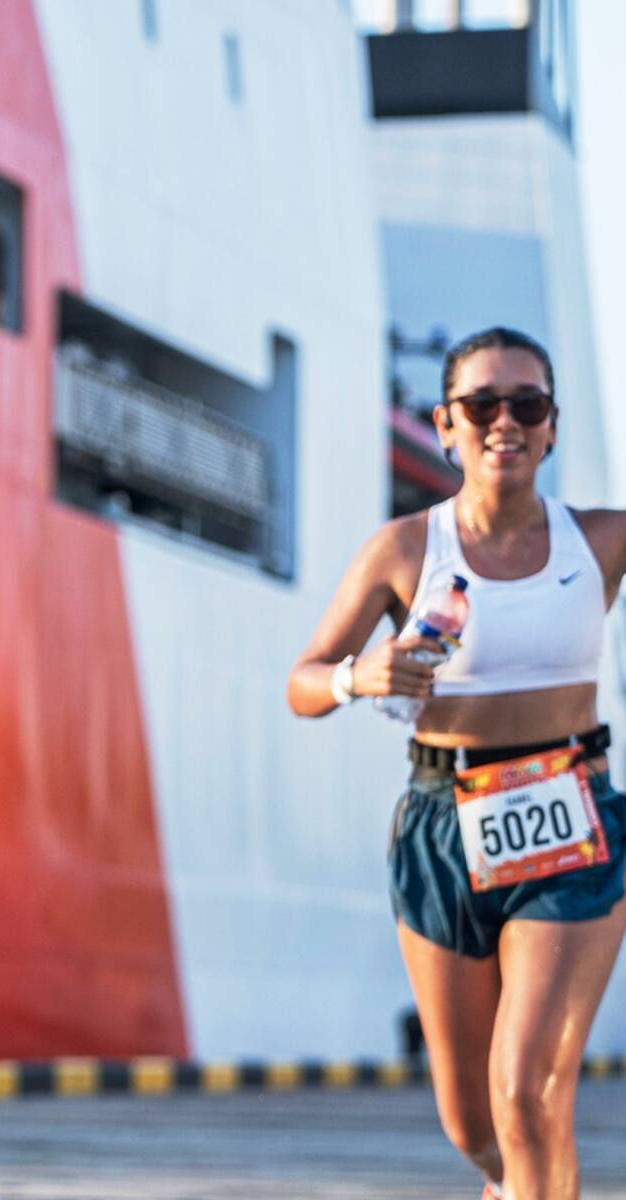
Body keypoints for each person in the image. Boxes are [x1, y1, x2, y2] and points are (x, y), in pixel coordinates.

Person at [288, 326, 626, 1200]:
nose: (504, 421)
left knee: (528, 1091)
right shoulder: (403, 548)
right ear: (445, 423)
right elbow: (301, 682)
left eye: (528, 404)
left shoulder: (602, 541)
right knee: (473, 1122)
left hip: (568, 814)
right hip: (443, 822)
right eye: (482, 404)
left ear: (552, 428)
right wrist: (359, 675)